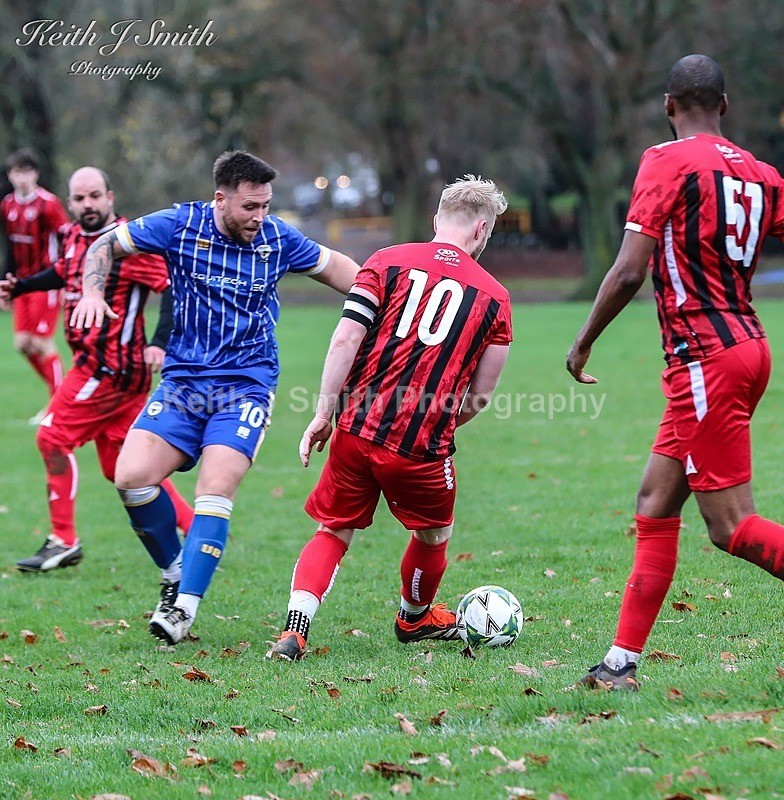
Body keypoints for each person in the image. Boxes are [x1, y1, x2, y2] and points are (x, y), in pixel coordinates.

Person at [69, 150, 361, 645]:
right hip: (183, 384)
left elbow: (345, 272)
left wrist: (388, 305)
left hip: (246, 386)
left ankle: (183, 609)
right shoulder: (179, 225)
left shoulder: (277, 239)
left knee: (215, 488)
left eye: (266, 205)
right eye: (250, 206)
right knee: (131, 478)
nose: (260, 217)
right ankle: (174, 570)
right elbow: (102, 247)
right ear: (220, 199)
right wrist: (92, 294)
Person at [566, 54, 784, 691]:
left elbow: (630, 270)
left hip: (705, 358)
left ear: (668, 107)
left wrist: (582, 343)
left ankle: (619, 666)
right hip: (744, 347)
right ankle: (619, 665)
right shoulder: (766, 176)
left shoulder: (666, 160)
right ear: (726, 104)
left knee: (730, 526)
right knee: (656, 503)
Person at [267, 176, 512, 661]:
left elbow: (344, 340)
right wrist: (438, 422)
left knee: (333, 529)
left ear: (437, 220)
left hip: (356, 429)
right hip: (421, 449)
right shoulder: (496, 299)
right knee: (433, 534)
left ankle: (296, 629)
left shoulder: (385, 261)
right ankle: (413, 617)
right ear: (481, 229)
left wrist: (323, 412)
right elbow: (479, 398)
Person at [0, 167, 193, 574]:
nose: (88, 205)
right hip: (99, 369)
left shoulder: (127, 245)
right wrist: (21, 287)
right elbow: (62, 272)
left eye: (95, 196)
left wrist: (159, 342)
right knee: (121, 468)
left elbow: (171, 288)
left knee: (51, 437)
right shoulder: (69, 237)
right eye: (80, 198)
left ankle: (63, 540)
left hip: (109, 370)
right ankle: (199, 529)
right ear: (70, 203)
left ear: (110, 197)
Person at [0, 149, 69, 421]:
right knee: (22, 344)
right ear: (10, 176)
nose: (22, 177)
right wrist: (5, 282)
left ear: (36, 174)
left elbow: (67, 239)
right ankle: (60, 394)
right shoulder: (7, 204)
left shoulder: (49, 204)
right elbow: (9, 246)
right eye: (17, 172)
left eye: (27, 171)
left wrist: (66, 278)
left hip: (46, 282)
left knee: (41, 343)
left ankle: (57, 405)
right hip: (21, 284)